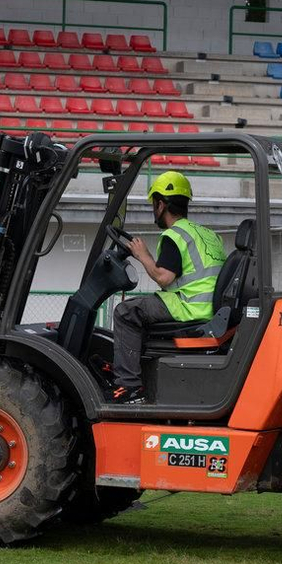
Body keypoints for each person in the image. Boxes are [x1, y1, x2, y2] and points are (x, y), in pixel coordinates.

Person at [110, 170, 226, 404]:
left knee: (126, 312)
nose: (155, 210)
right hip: (208, 305)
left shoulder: (174, 235)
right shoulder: (207, 234)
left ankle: (129, 387)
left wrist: (142, 255)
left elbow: (163, 278)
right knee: (142, 308)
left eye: (155, 204)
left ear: (161, 204)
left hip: (190, 306)